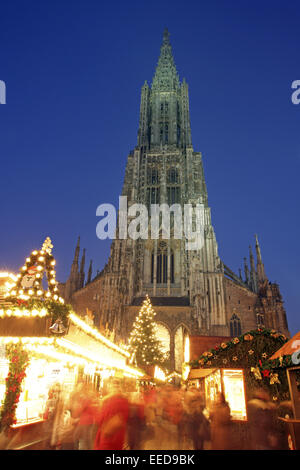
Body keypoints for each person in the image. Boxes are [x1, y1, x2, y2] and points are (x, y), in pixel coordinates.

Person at [94, 378, 130, 450]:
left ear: (110, 388)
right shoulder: (125, 401)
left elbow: (99, 419)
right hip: (119, 436)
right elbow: (125, 418)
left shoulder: (106, 401)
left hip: (107, 436)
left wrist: (102, 401)